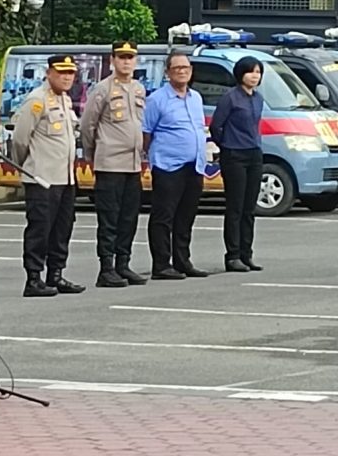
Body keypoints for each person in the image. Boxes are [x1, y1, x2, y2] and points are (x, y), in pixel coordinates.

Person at [11, 54, 87, 298]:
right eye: (61, 72)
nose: (67, 77)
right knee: (40, 229)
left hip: (65, 178)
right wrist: (26, 167)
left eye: (71, 73)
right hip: (42, 177)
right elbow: (20, 139)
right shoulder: (37, 100)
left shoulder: (65, 100)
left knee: (62, 228)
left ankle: (55, 274)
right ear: (49, 72)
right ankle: (33, 278)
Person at [79, 40, 148, 288]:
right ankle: (106, 268)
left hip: (132, 164)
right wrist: (93, 154)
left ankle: (123, 264)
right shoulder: (102, 89)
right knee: (109, 218)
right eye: (121, 57)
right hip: (109, 164)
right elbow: (88, 125)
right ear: (113, 60)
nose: (126, 61)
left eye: (130, 57)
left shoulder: (139, 89)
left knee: (129, 218)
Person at [142, 49, 211, 280]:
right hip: (168, 166)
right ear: (167, 72)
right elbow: (146, 133)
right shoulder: (157, 100)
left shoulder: (196, 98)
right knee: (164, 216)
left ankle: (183, 261)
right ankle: (161, 264)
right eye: (177, 68)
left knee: (186, 216)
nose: (182, 72)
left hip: (194, 166)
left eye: (186, 68)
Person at [210, 56, 265, 273]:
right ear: (240, 73)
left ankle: (246, 253)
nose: (255, 76)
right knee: (235, 207)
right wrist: (226, 145)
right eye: (250, 71)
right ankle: (232, 255)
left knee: (249, 209)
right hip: (234, 154)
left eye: (258, 72)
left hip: (254, 153)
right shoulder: (230, 98)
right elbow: (216, 126)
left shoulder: (258, 98)